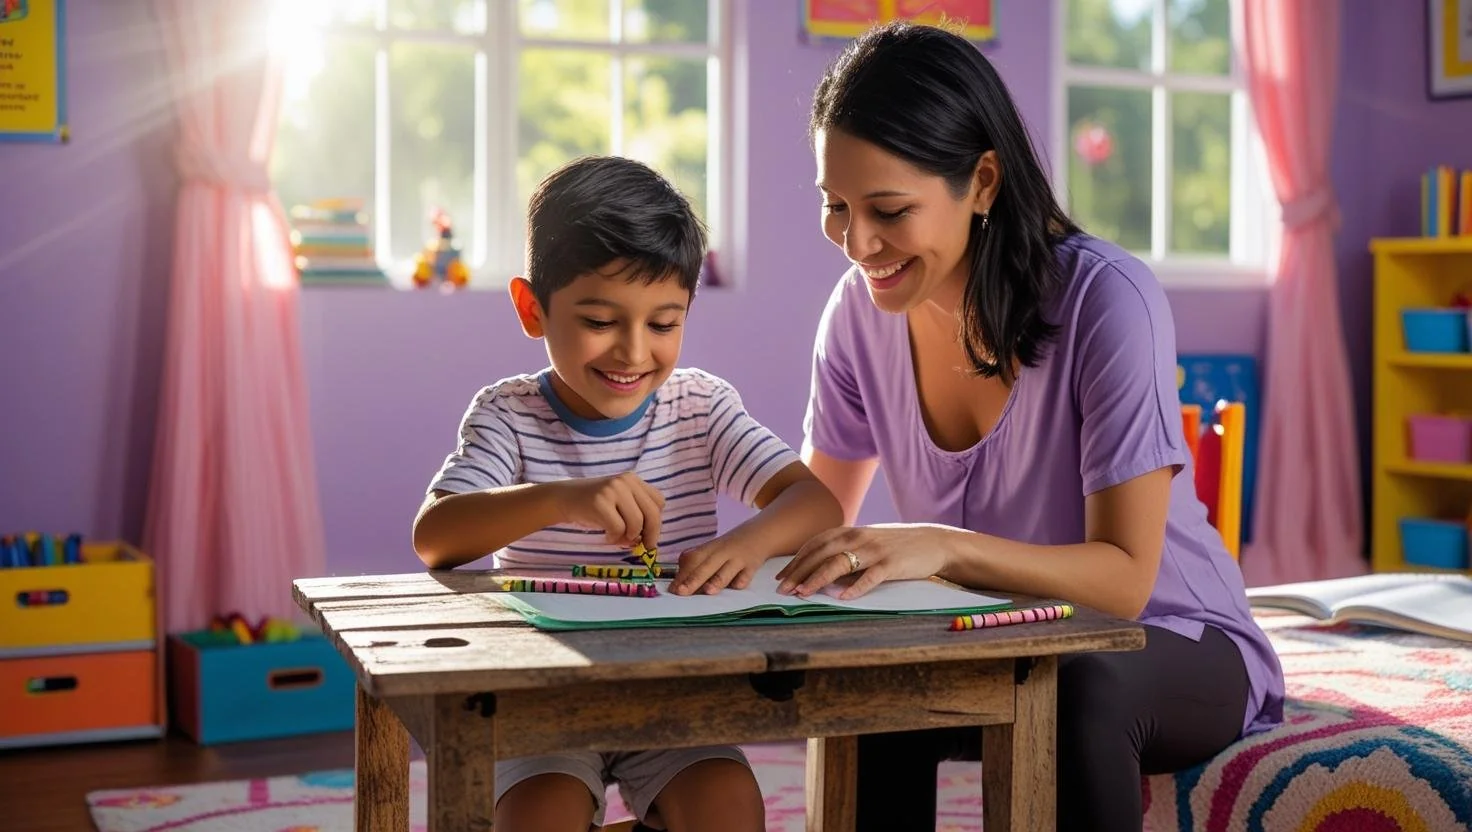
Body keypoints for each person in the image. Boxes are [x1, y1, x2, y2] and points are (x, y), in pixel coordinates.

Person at [774, 21, 1285, 832]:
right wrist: (733, 551)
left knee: (1074, 686)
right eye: (836, 206)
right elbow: (816, 511)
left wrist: (943, 546)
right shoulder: (856, 318)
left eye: (888, 209)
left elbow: (1124, 581)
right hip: (994, 638)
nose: (857, 243)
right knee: (868, 681)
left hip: (1169, 640)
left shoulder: (1106, 299)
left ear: (982, 182)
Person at [413, 155, 842, 832]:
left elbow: (817, 503)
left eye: (664, 324)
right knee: (538, 816)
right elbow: (436, 537)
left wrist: (746, 543)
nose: (633, 352)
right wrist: (561, 499)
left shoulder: (699, 407)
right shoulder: (509, 416)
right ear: (533, 309)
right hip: (540, 702)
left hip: (673, 698)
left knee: (730, 808)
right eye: (601, 320)